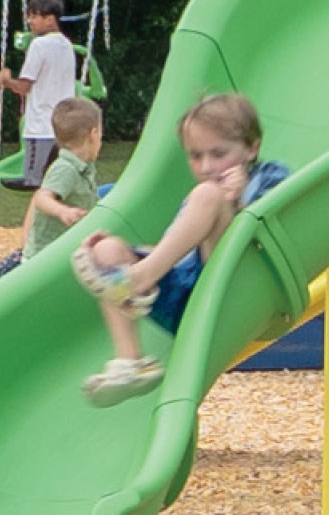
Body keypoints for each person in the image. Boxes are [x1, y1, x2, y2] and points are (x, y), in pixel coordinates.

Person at [71, 90, 288, 404]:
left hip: (231, 296)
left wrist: (239, 202)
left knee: (206, 196)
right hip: (185, 298)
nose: (206, 166)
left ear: (252, 148)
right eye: (195, 156)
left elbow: (275, 237)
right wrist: (126, 253)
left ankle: (136, 280)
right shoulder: (206, 192)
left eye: (218, 153)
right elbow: (184, 256)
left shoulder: (271, 178)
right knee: (106, 250)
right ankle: (132, 362)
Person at [0, 95, 106, 290]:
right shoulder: (65, 168)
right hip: (42, 257)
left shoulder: (84, 168)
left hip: (59, 253)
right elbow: (42, 197)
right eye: (101, 136)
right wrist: (63, 211)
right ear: (93, 134)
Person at [0, 0, 81, 191]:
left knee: (36, 183)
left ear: (50, 19)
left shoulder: (39, 45)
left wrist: (7, 80)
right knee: (56, 181)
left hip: (41, 127)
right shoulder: (67, 45)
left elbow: (24, 87)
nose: (30, 21)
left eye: (35, 16)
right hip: (63, 125)